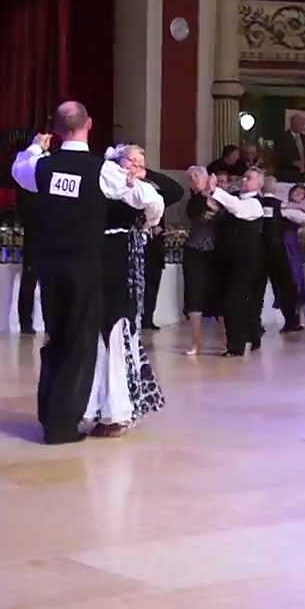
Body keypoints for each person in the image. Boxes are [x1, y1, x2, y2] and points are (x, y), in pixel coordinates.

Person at [11, 102, 155, 444]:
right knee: (79, 344)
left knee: (54, 339)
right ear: (89, 124)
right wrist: (148, 219)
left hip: (50, 267)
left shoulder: (41, 167)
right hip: (85, 267)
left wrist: (35, 146)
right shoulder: (101, 171)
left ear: (57, 130)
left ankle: (49, 416)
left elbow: (20, 167)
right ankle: (62, 424)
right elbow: (149, 198)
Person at [83, 144, 166, 436]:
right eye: (132, 160)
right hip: (100, 255)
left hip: (122, 259)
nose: (136, 166)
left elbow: (158, 202)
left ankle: (116, 411)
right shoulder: (108, 179)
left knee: (117, 328)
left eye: (141, 162)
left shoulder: (138, 188)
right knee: (101, 329)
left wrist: (146, 215)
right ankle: (102, 409)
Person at [209, 168, 265, 355]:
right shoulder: (233, 197)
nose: (244, 179)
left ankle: (236, 346)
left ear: (259, 184)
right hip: (227, 259)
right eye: (244, 176)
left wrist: (216, 190)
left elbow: (238, 209)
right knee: (233, 301)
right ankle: (253, 335)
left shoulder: (255, 204)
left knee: (234, 300)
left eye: (249, 178)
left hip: (246, 260)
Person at [250, 174, 305, 339]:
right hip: (278, 252)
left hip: (258, 251)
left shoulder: (254, 204)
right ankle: (291, 321)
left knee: (257, 288)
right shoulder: (282, 207)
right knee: (284, 287)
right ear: (276, 189)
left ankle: (255, 323)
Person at [182, 166, 222, 355]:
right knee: (193, 295)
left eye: (196, 176)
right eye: (190, 178)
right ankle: (196, 342)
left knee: (219, 296)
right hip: (195, 251)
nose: (193, 180)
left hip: (217, 252)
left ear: (207, 178)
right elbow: (202, 213)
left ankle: (227, 339)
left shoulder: (221, 196)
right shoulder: (193, 202)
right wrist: (208, 194)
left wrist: (213, 192)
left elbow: (219, 213)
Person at [142, 168, 185, 330]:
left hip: (154, 247)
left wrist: (147, 173)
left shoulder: (155, 196)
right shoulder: (126, 193)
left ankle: (148, 318)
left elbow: (176, 191)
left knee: (152, 284)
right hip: (133, 247)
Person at [282, 183, 305, 325]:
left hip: (294, 246)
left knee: (297, 279)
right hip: (284, 245)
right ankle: (289, 316)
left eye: (302, 193)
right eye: (297, 191)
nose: (299, 194)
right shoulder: (283, 205)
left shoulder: (301, 211)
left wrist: (299, 207)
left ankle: (299, 316)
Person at [15, 185, 39, 335]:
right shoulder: (26, 184)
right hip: (34, 237)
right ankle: (25, 322)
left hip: (47, 236)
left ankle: (50, 323)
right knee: (29, 281)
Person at [274, 115, 305, 182]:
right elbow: (277, 157)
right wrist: (292, 163)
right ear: (293, 123)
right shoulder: (282, 138)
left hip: (303, 175)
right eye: (299, 123)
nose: (301, 126)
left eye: (302, 123)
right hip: (287, 175)